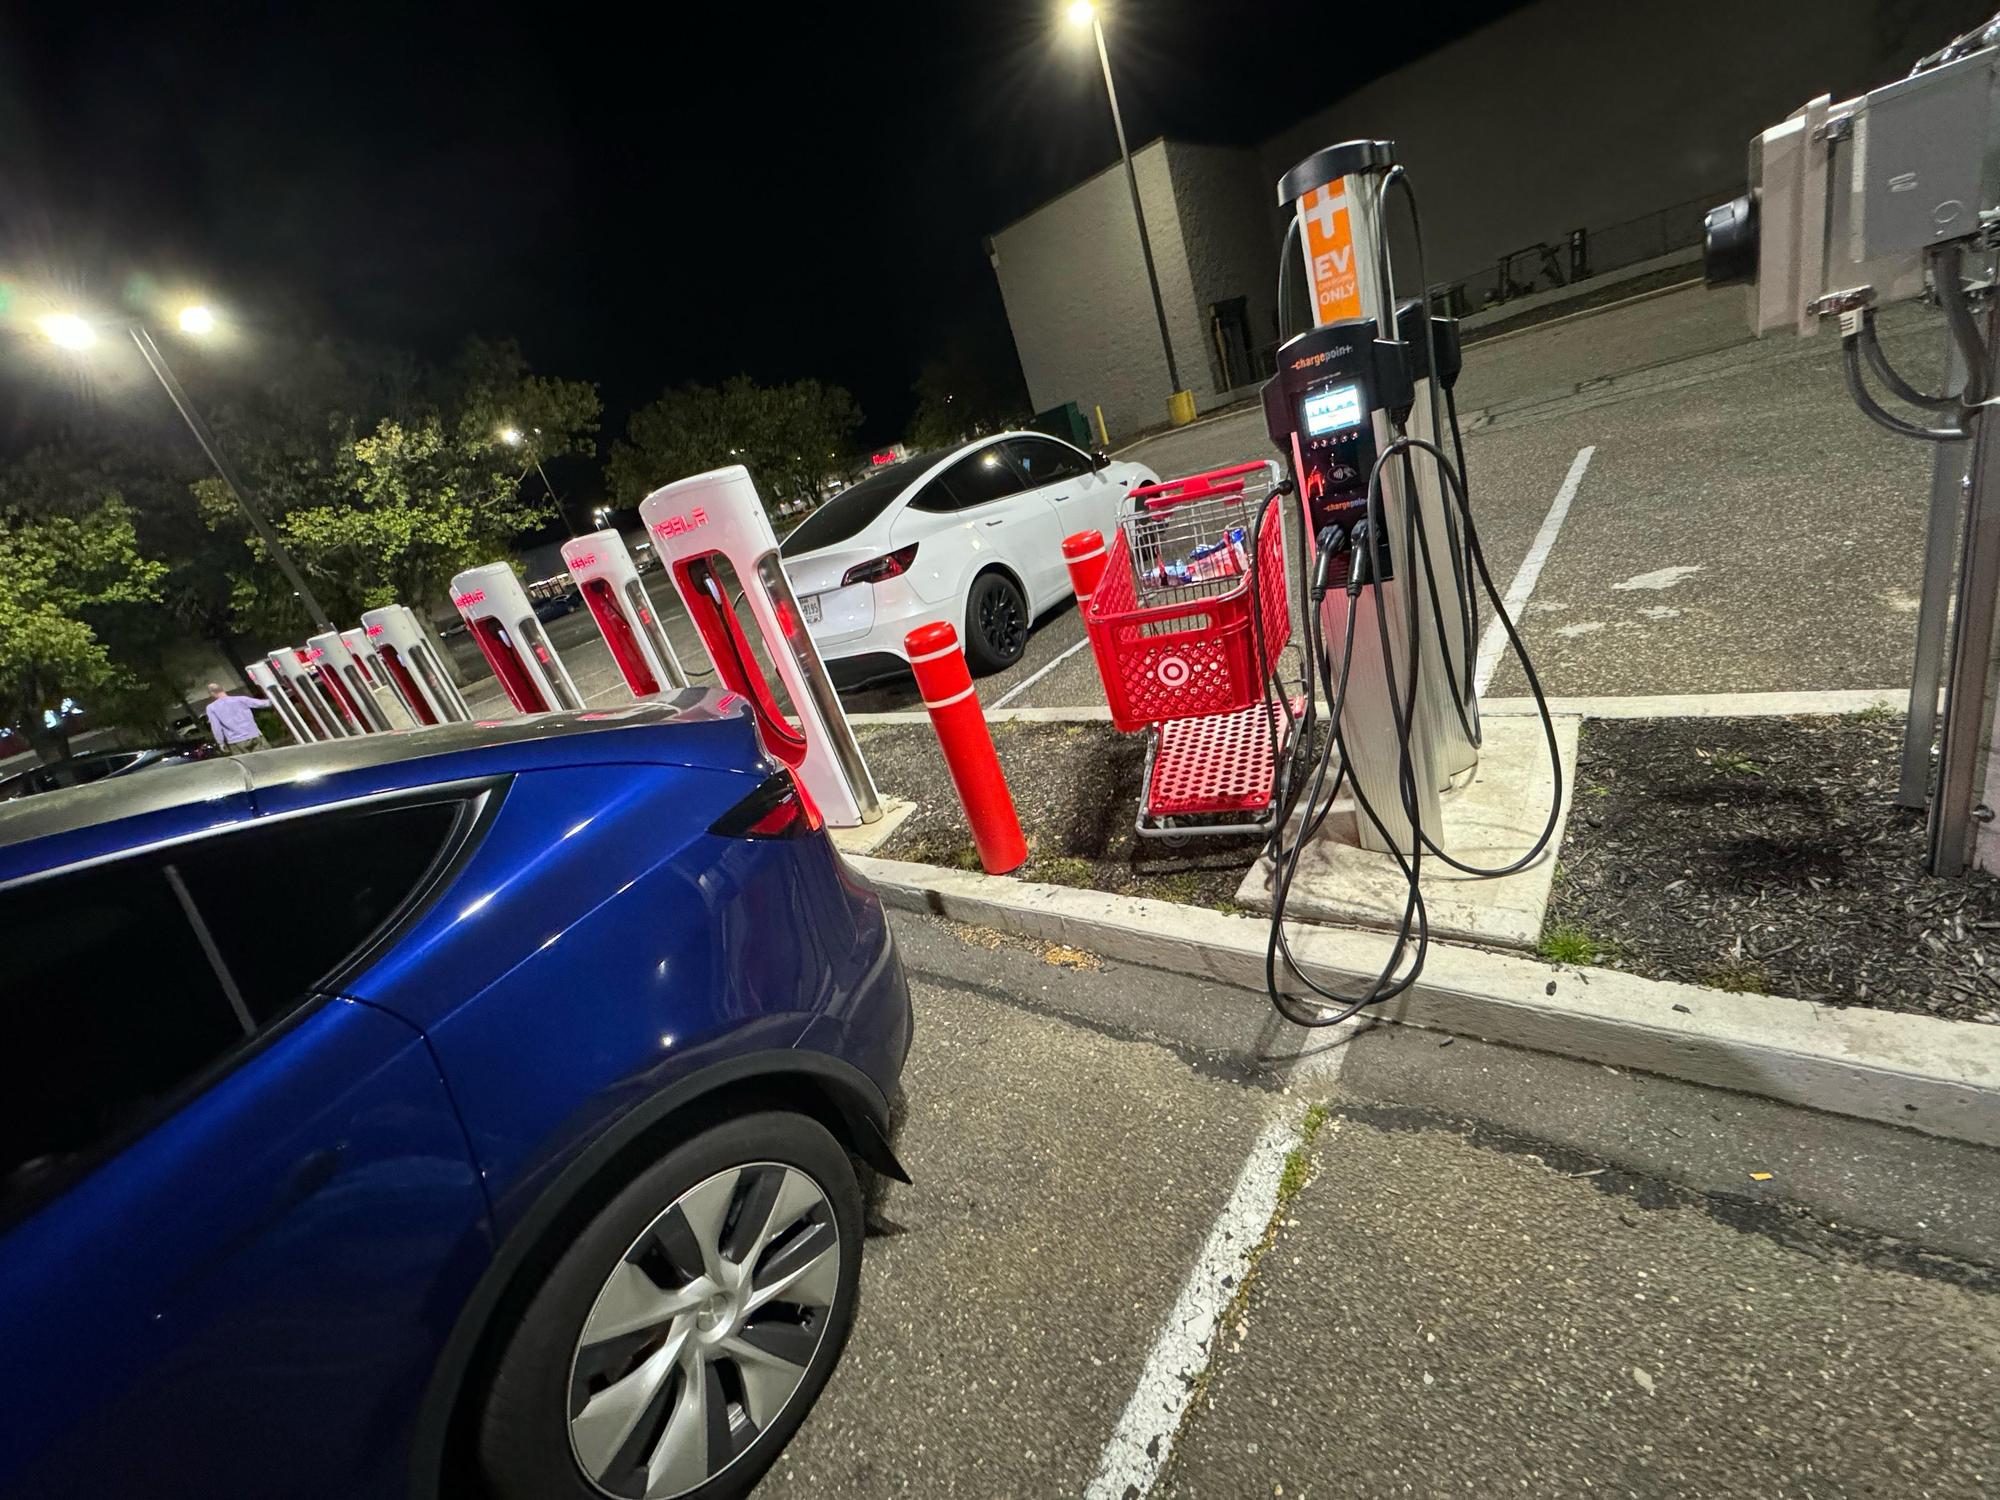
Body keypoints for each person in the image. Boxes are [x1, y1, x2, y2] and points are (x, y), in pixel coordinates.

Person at [204, 681, 272, 755]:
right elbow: (265, 704)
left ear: (212, 693)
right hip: (254, 735)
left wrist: (221, 742)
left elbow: (216, 727)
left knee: (246, 761)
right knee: (267, 758)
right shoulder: (241, 699)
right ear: (223, 689)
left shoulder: (211, 708)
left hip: (235, 741)